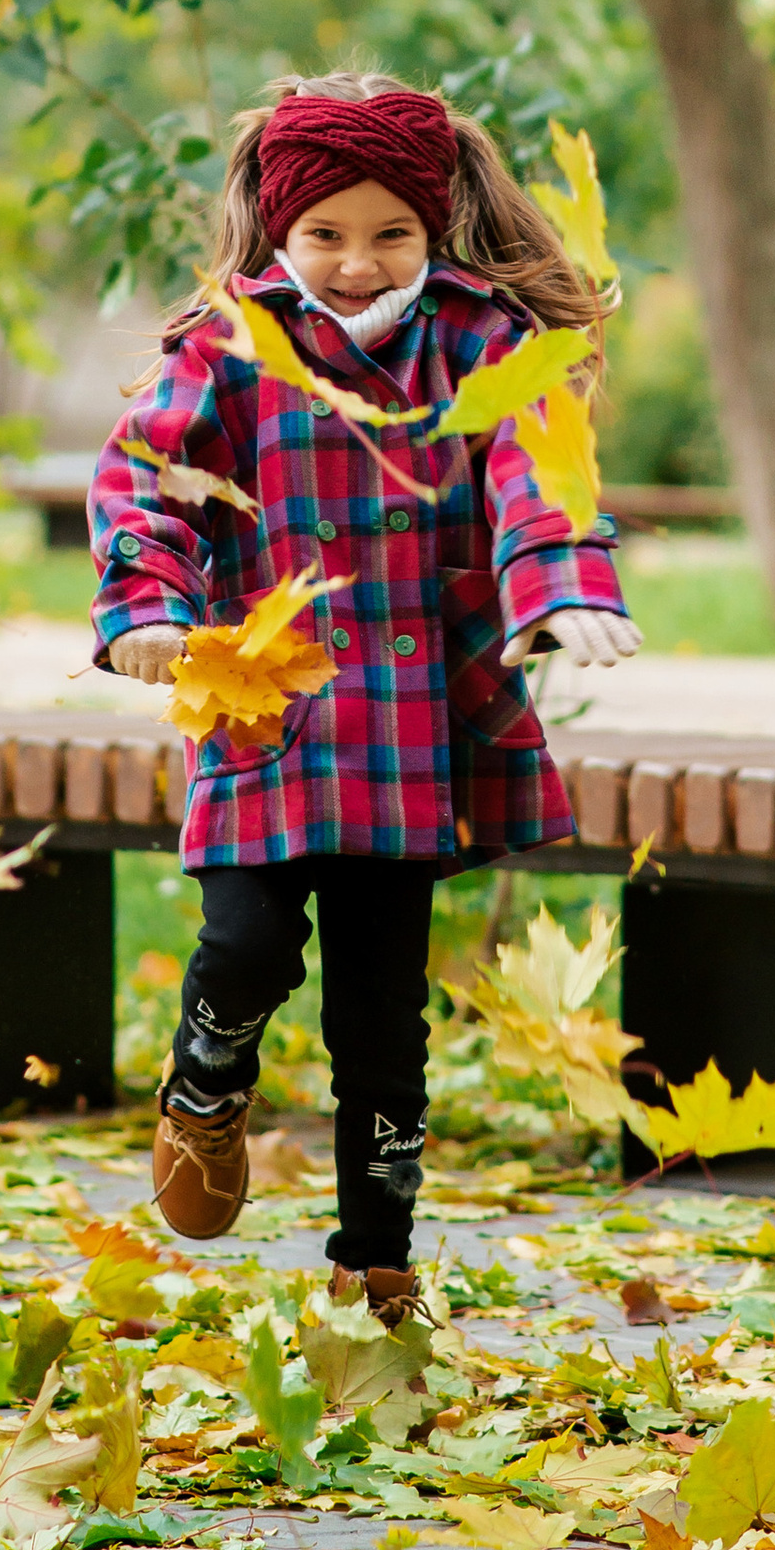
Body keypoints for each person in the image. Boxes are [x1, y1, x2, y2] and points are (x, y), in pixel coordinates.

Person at [88, 70, 642, 1324]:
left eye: (389, 233)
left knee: (382, 1019)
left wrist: (556, 582)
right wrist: (147, 614)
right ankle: (206, 1085)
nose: (355, 263)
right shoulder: (231, 343)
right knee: (245, 941)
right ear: (279, 229)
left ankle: (374, 1270)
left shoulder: (480, 337)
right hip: (270, 712)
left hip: (407, 733)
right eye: (324, 234)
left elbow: (536, 465)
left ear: (434, 224)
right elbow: (144, 482)